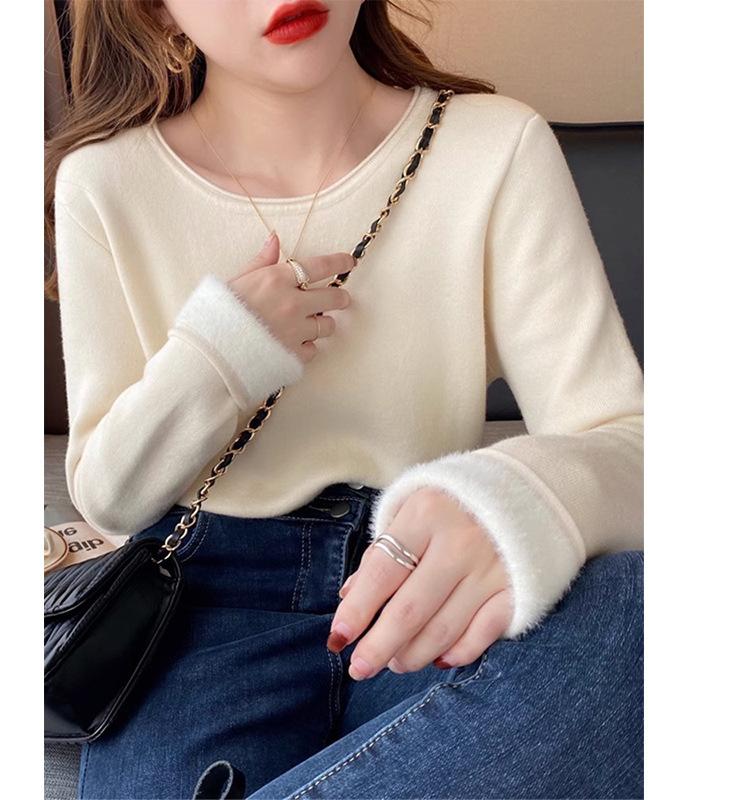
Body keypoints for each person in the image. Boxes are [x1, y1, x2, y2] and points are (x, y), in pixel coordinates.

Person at [44, 1, 644, 798]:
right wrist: (219, 355)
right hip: (199, 599)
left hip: (426, 573)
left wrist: (518, 498)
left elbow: (632, 439)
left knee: (645, 613)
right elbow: (108, 495)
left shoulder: (492, 147)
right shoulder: (107, 182)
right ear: (159, 14)